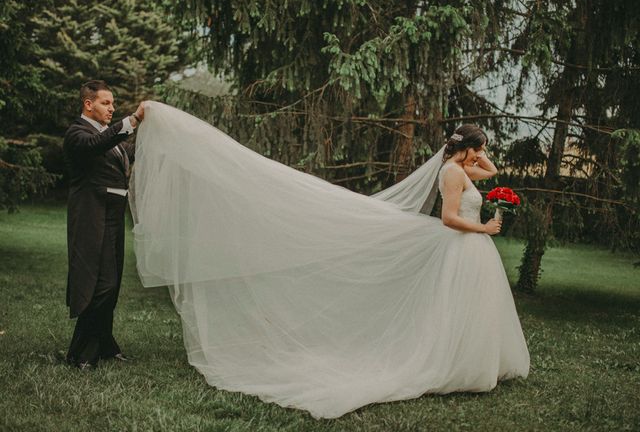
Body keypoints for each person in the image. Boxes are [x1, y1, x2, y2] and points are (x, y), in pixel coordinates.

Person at [130, 102, 530, 418]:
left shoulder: (462, 167)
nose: (485, 156)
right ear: (468, 148)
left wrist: (482, 159)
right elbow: (448, 219)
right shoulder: (452, 174)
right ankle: (459, 367)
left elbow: (491, 172)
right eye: (481, 148)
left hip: (473, 250)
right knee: (460, 310)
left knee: (474, 311)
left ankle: (477, 365)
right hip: (464, 246)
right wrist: (484, 230)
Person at [63, 80, 145, 370]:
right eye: (105, 103)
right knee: (99, 284)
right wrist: (132, 119)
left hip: (112, 215)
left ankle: (105, 345)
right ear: (88, 104)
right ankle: (83, 352)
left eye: (113, 103)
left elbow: (127, 152)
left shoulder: (110, 137)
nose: (111, 108)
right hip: (90, 217)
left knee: (111, 283)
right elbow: (95, 145)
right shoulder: (77, 133)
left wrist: (153, 131)